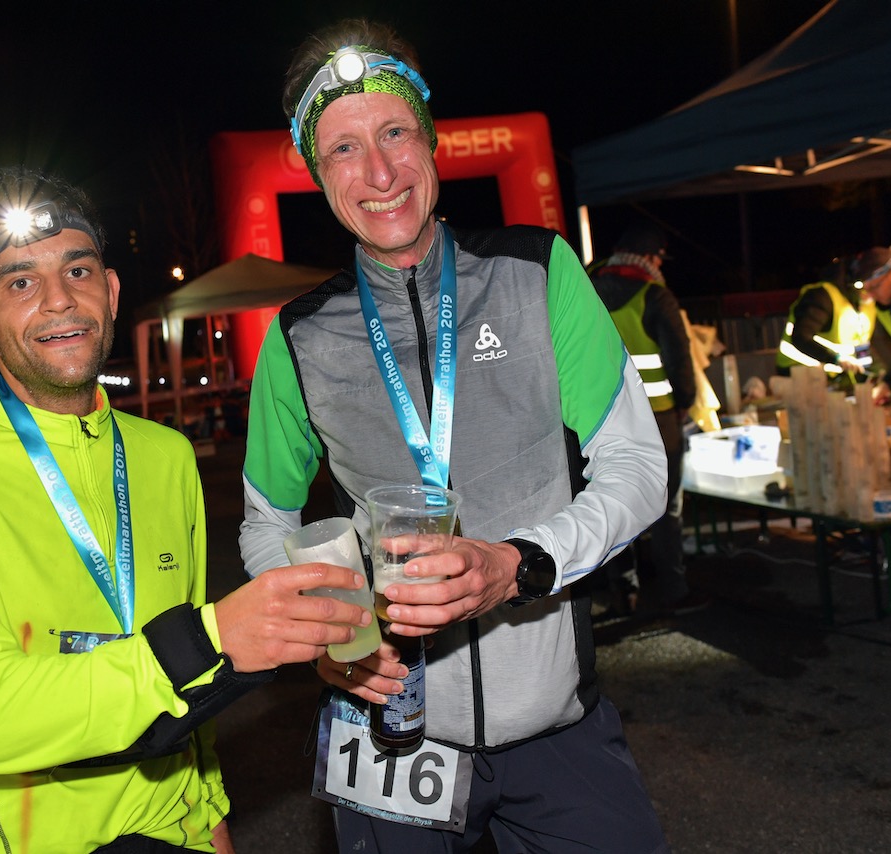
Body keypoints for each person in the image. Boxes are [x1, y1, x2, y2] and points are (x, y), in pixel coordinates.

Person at [239, 19, 671, 853]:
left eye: (395, 132)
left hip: (556, 729)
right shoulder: (300, 337)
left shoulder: (537, 271)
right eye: (344, 150)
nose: (379, 172)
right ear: (317, 174)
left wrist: (520, 562)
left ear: (432, 141)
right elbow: (267, 522)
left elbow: (636, 465)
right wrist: (330, 631)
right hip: (388, 733)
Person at [0, 166, 375, 854]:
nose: (57, 301)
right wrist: (211, 637)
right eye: (19, 282)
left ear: (108, 291)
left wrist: (212, 819)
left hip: (173, 831)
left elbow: (191, 698)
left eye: (77, 272)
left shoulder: (166, 455)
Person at [590, 221, 702, 616]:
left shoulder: (587, 290)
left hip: (601, 421)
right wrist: (686, 401)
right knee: (666, 506)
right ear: (650, 258)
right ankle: (674, 591)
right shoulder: (656, 296)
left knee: (614, 503)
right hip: (659, 421)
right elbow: (679, 361)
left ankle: (624, 592)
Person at [775, 257, 876, 381]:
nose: (871, 293)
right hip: (797, 373)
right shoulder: (821, 296)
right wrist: (836, 358)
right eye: (868, 287)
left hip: (833, 375)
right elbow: (801, 337)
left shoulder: (866, 303)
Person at [855, 246, 891, 404]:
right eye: (867, 290)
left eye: (875, 286)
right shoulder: (885, 308)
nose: (871, 295)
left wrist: (889, 383)